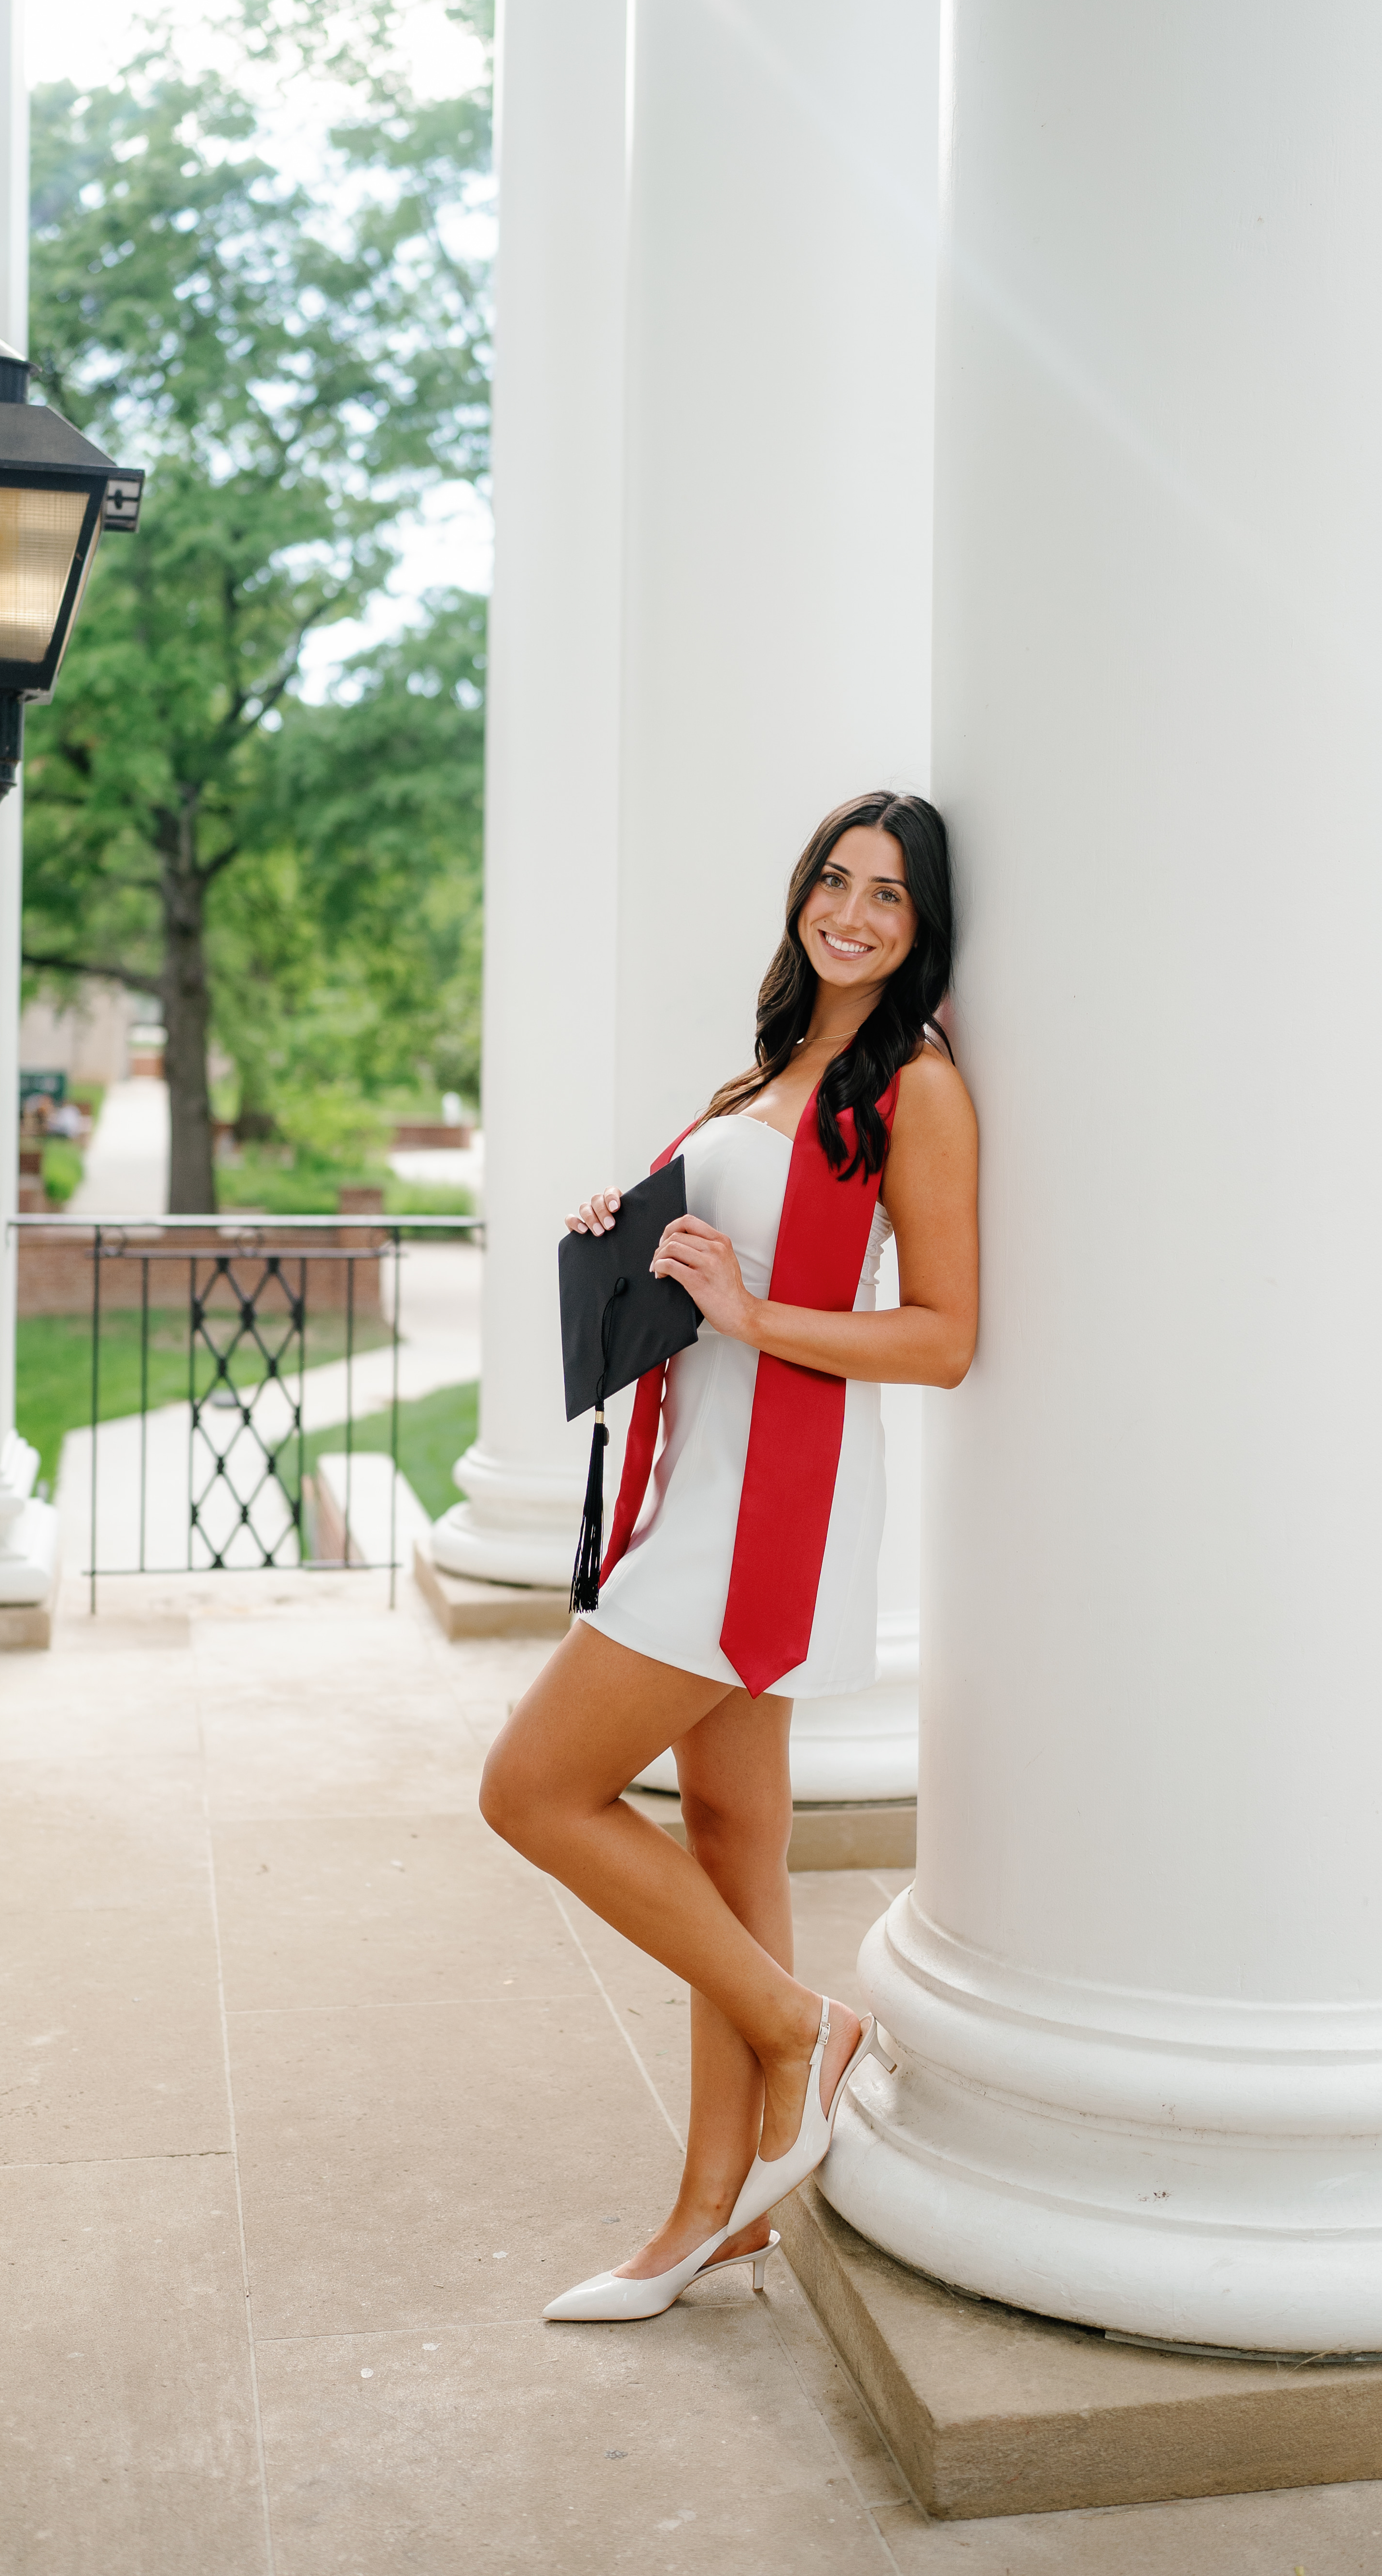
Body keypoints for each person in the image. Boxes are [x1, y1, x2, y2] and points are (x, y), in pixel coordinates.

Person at [479, 791, 978, 2323]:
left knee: (530, 1790)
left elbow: (947, 1338)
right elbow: (715, 1262)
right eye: (835, 881)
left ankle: (801, 2027)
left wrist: (758, 1320)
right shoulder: (768, 1072)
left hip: (776, 1501)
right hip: (694, 1476)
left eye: (889, 896)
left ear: (923, 926)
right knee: (727, 1844)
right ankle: (717, 2213)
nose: (853, 914)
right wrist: (633, 1237)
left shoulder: (919, 1086)